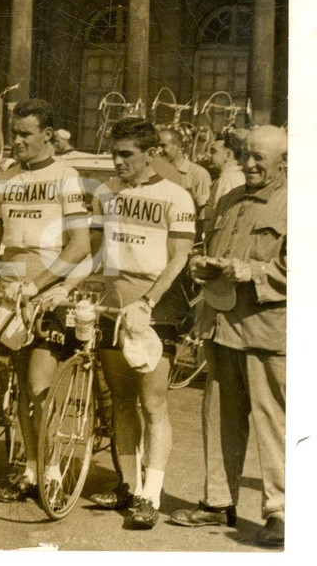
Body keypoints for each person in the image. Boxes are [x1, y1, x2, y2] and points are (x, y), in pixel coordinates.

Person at [168, 126, 287, 548]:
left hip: (267, 332)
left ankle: (281, 512)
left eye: (259, 157)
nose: (250, 164)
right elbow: (214, 247)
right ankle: (218, 501)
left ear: (282, 163)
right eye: (245, 155)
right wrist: (202, 265)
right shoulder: (230, 199)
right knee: (219, 419)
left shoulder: (296, 203)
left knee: (275, 424)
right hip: (221, 326)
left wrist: (252, 272)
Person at [86, 118, 195, 529]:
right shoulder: (107, 193)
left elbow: (179, 258)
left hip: (156, 311)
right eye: (114, 153)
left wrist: (149, 301)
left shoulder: (176, 196)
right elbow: (95, 251)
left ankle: (152, 494)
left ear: (151, 154)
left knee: (153, 404)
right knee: (120, 401)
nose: (117, 162)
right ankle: (128, 486)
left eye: (127, 154)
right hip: (113, 307)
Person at [0, 99, 90, 503]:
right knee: (18, 385)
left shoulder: (67, 176)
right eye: (14, 133)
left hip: (48, 292)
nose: (17, 141)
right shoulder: (4, 178)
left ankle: (52, 468)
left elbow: (80, 244)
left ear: (48, 136)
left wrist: (42, 286)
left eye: (25, 134)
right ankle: (30, 467)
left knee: (38, 385)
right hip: (11, 292)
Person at [158, 128, 211, 216]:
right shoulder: (158, 172)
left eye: (163, 146)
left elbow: (203, 213)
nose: (158, 150)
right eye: (157, 146)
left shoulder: (198, 174)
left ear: (178, 146)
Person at [202, 129, 246, 226]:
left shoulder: (228, 179)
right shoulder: (232, 177)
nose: (208, 155)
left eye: (213, 151)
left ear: (228, 154)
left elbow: (222, 218)